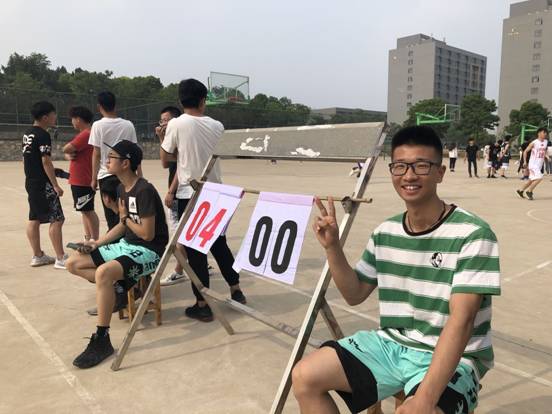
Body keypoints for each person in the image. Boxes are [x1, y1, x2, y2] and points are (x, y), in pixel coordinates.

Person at [292, 126, 500, 414]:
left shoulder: (473, 233)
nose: (409, 176)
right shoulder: (385, 232)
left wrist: (424, 400)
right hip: (393, 345)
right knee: (305, 377)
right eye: (400, 166)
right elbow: (354, 293)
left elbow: (462, 320)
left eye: (421, 166)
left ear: (440, 172)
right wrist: (333, 247)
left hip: (456, 355)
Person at [66, 140, 168, 368]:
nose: (106, 160)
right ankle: (119, 289)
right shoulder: (122, 188)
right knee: (73, 263)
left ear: (125, 163)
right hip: (127, 244)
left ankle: (102, 338)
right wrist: (96, 243)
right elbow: (123, 227)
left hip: (149, 251)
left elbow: (147, 234)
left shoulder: (144, 190)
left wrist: (125, 219)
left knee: (103, 273)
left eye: (111, 157)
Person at [160, 78, 246, 322]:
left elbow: (165, 160)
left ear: (181, 101)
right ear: (202, 100)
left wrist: (166, 139)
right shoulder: (217, 125)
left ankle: (202, 304)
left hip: (191, 194)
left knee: (195, 250)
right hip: (217, 193)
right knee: (219, 244)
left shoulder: (176, 124)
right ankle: (236, 289)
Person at [22, 101, 67, 269]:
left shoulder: (27, 134)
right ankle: (60, 258)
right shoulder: (43, 135)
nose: (55, 117)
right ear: (45, 117)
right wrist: (55, 185)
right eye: (54, 114)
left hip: (31, 182)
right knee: (57, 218)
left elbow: (27, 159)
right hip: (43, 184)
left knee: (34, 218)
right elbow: (46, 161)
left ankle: (38, 255)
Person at [89, 91, 139, 231]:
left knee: (112, 215)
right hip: (127, 175)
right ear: (115, 105)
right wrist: (139, 175)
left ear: (99, 106)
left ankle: (114, 239)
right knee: (129, 212)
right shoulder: (128, 125)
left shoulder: (97, 125)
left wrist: (93, 178)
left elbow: (96, 153)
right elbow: (135, 152)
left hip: (106, 175)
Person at [155, 106, 189, 286]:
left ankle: (179, 270)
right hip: (179, 191)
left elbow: (180, 168)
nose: (163, 123)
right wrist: (162, 138)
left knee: (178, 236)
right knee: (186, 233)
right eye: (161, 120)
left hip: (180, 192)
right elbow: (165, 163)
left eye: (166, 120)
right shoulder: (173, 138)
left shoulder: (181, 138)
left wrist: (171, 191)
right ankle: (193, 263)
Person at [63, 106, 100, 241]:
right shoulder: (86, 134)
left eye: (73, 119)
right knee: (83, 210)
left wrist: (68, 152)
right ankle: (88, 237)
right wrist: (69, 155)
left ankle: (94, 240)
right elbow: (69, 153)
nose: (72, 122)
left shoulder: (86, 134)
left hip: (83, 179)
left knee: (88, 210)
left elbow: (66, 148)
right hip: (79, 179)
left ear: (78, 119)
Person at [516, 127, 549, 200]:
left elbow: (544, 151)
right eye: (544, 132)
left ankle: (521, 190)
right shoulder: (534, 142)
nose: (545, 134)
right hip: (533, 164)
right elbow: (525, 152)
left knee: (532, 179)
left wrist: (547, 157)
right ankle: (529, 191)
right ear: (539, 133)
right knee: (539, 178)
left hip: (539, 164)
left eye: (546, 133)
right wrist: (525, 161)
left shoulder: (546, 142)